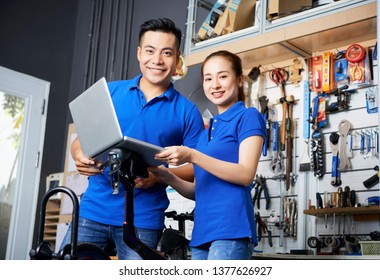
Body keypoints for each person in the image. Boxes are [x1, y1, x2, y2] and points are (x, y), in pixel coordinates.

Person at [61, 18, 204, 260]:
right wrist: (78, 154)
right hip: (92, 212)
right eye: (150, 51)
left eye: (166, 53)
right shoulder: (110, 93)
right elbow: (82, 139)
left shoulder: (187, 112)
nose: (157, 60)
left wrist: (158, 175)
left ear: (177, 58)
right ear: (139, 53)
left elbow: (196, 167)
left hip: (143, 220)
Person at [150, 50, 267, 260]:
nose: (215, 85)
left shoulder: (248, 117)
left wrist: (193, 155)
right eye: (208, 78)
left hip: (231, 231)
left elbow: (245, 174)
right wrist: (166, 177)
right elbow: (198, 191)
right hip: (201, 234)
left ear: (239, 79)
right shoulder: (205, 135)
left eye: (223, 76)